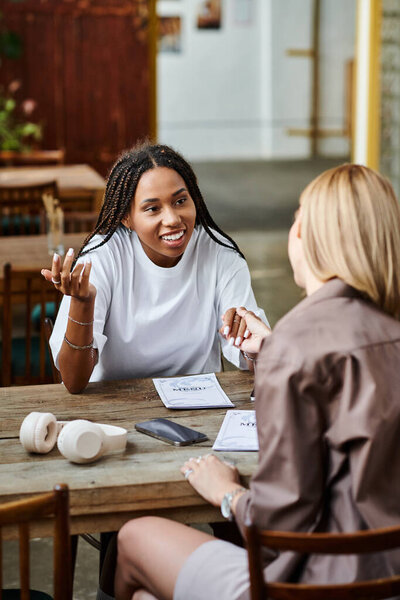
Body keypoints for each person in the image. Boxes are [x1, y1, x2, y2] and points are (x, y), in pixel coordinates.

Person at [112, 164, 400, 600]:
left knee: (134, 539)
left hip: (316, 582)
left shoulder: (299, 341)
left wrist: (227, 494)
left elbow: (280, 524)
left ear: (307, 236)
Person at [42, 143, 267, 393]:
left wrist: (257, 351)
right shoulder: (103, 257)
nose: (172, 219)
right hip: (114, 410)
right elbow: (74, 381)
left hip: (199, 407)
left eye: (180, 201)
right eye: (152, 208)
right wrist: (83, 304)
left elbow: (252, 358)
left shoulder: (219, 252)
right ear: (126, 218)